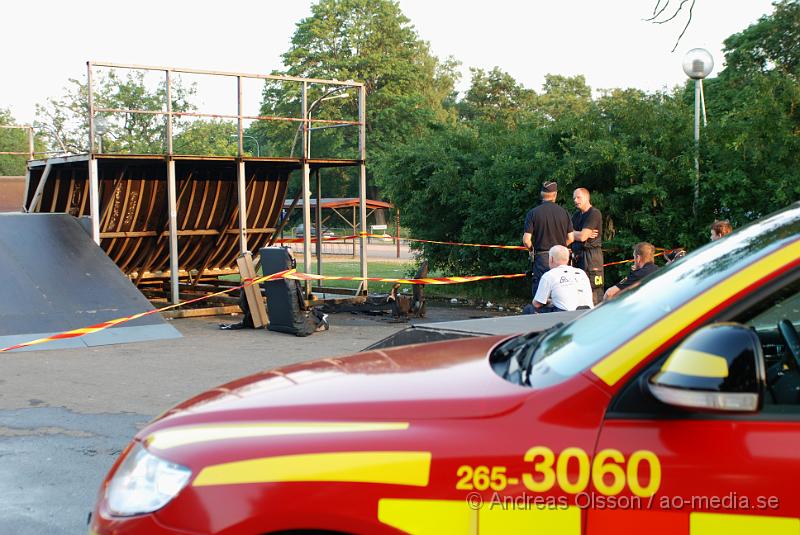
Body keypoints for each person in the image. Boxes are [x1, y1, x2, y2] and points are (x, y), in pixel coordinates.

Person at [522, 181, 573, 299]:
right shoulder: (564, 213)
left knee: (541, 295)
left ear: (541, 194)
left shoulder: (533, 213)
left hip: (542, 258)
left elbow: (526, 240)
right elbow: (571, 238)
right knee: (560, 292)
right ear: (555, 194)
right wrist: (559, 248)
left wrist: (531, 249)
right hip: (561, 259)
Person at [523, 245, 593, 313]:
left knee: (529, 309)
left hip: (566, 314)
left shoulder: (549, 275)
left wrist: (549, 301)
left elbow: (537, 304)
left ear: (551, 259)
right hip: (587, 313)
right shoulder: (581, 272)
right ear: (568, 259)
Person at [569, 187, 604, 304]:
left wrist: (575, 234)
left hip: (591, 257)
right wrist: (577, 234)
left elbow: (583, 237)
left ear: (587, 198)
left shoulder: (594, 213)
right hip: (577, 256)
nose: (575, 200)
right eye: (574, 198)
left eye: (578, 197)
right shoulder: (576, 216)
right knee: (577, 291)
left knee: (594, 290)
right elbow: (569, 236)